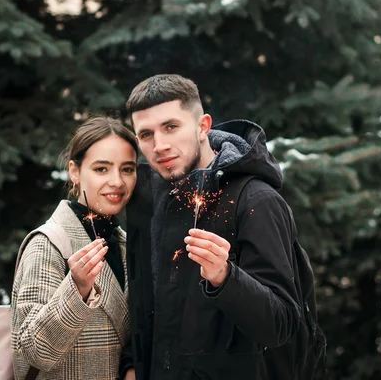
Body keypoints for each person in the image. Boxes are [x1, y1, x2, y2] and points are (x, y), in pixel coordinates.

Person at [119, 74, 302, 380]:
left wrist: (225, 277)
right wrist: (131, 364)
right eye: (146, 134)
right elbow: (144, 305)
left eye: (170, 127)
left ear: (203, 126)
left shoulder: (257, 200)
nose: (160, 145)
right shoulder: (147, 200)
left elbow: (281, 325)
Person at [11, 115, 138, 380]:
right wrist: (77, 289)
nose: (117, 181)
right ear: (75, 171)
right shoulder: (48, 244)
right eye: (101, 169)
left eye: (127, 169)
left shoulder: (126, 244)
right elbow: (31, 354)